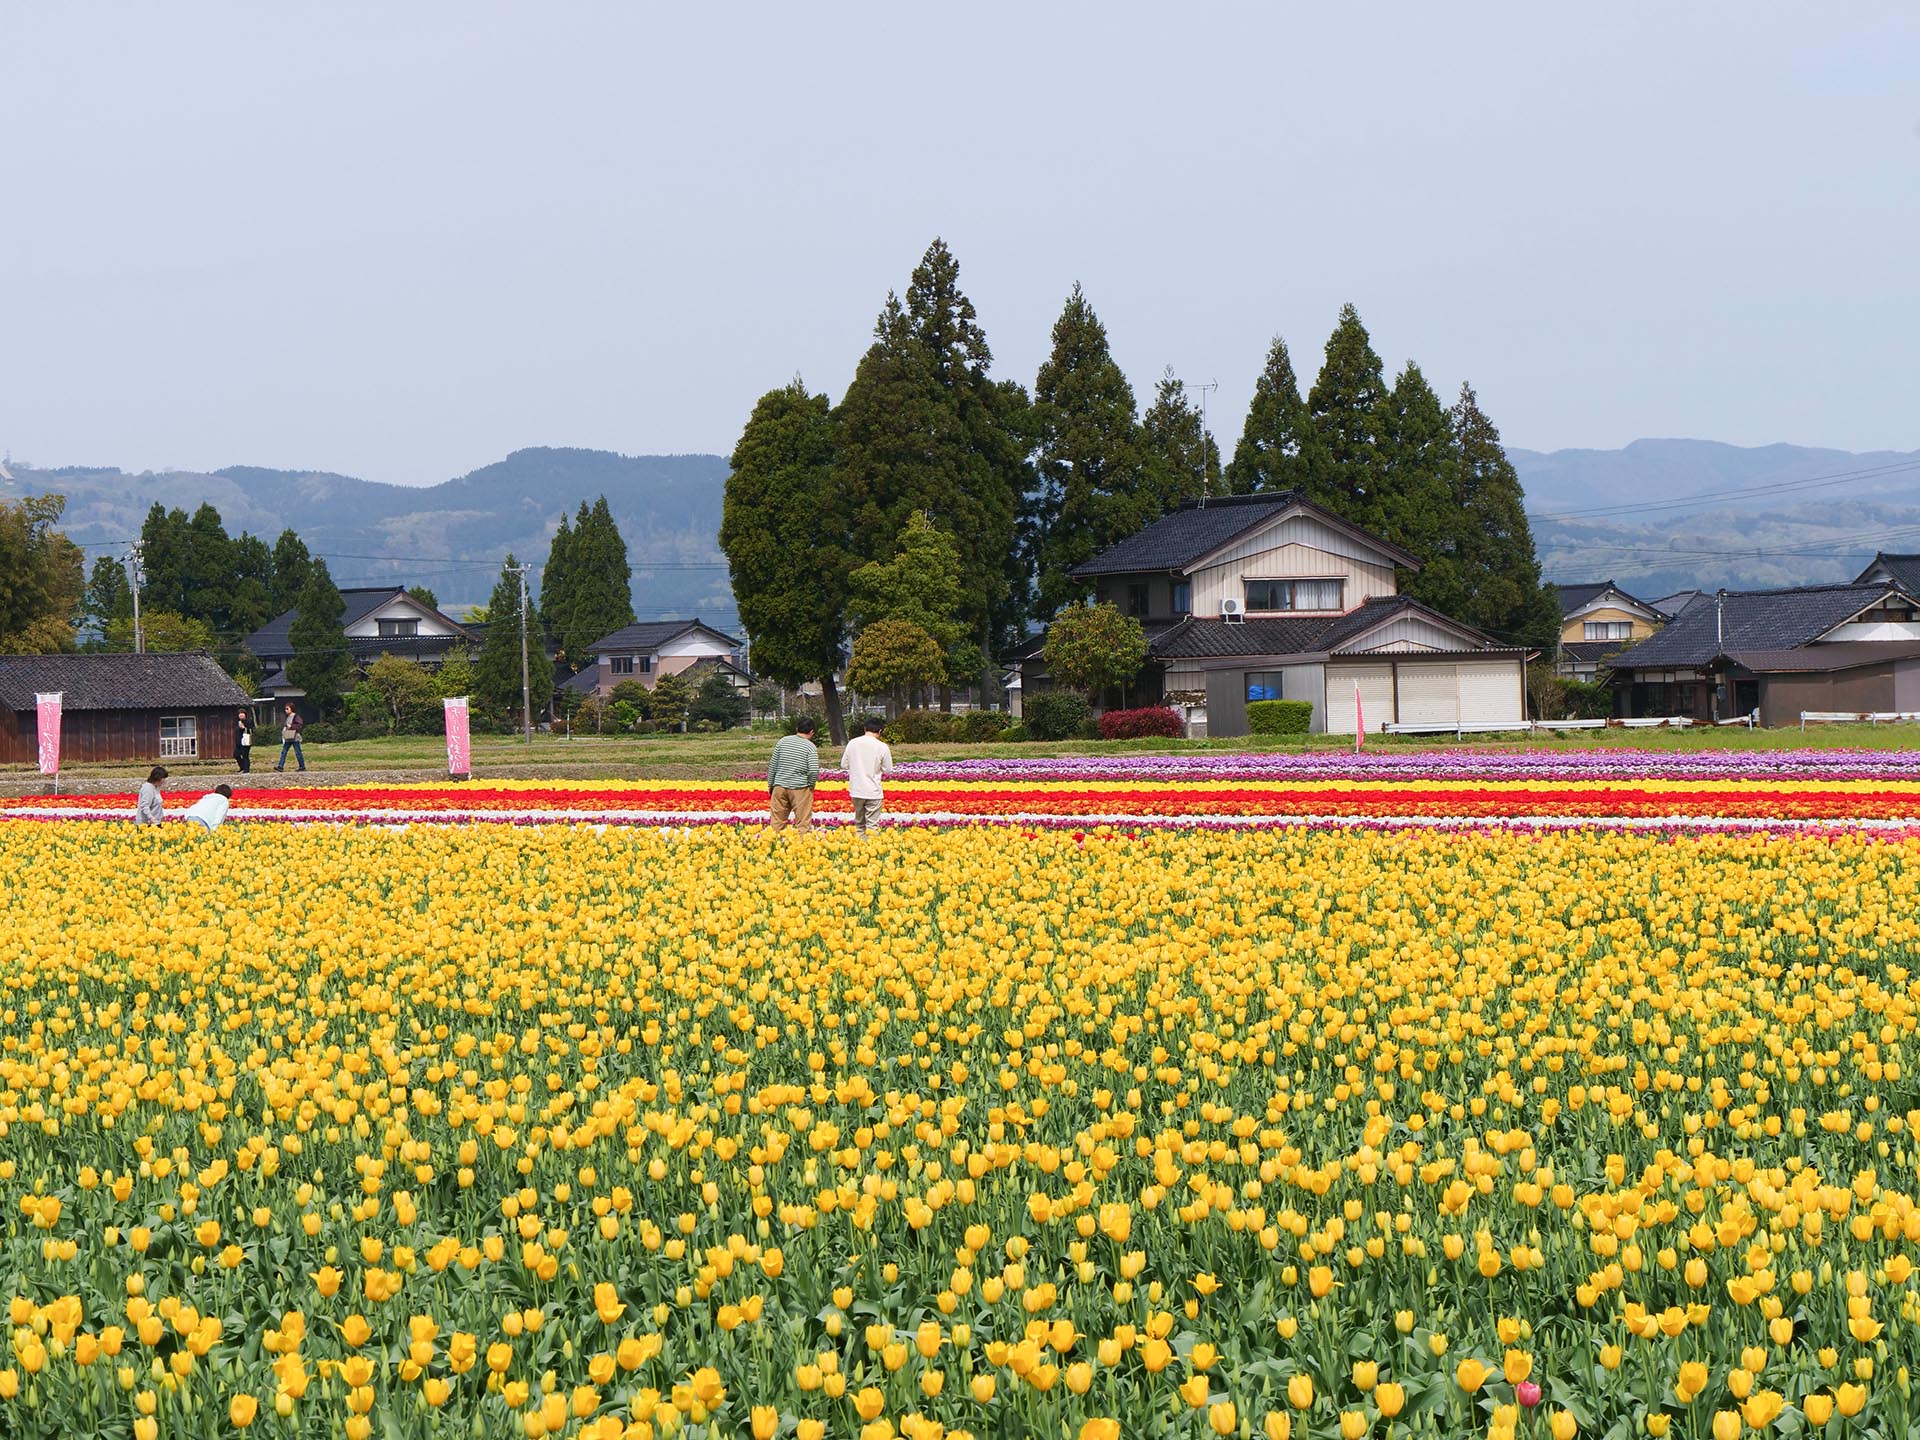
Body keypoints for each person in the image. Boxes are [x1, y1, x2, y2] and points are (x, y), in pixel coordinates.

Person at [766, 717, 820, 834]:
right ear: (811, 732)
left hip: (779, 787)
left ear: (796, 729)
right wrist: (810, 785)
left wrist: (771, 785)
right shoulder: (810, 747)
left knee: (777, 823)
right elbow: (813, 770)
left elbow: (773, 766)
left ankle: (774, 847)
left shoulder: (782, 742)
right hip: (800, 788)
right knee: (803, 824)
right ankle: (801, 848)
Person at [841, 716, 894, 836]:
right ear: (880, 731)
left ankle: (859, 849)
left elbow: (844, 765)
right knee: (872, 826)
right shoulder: (882, 747)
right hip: (873, 791)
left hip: (857, 790)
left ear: (865, 729)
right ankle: (870, 850)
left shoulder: (853, 743)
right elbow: (887, 770)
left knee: (859, 824)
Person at [275, 704, 306, 772]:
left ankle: (302, 766)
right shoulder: (288, 717)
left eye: (287, 708)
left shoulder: (296, 716)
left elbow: (299, 725)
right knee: (284, 752)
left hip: (295, 737)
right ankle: (280, 766)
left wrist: (291, 726)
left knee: (298, 752)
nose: (285, 710)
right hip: (288, 737)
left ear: (291, 709)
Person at [234, 708, 253, 773]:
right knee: (236, 754)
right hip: (239, 741)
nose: (241, 715)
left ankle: (246, 769)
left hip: (245, 741)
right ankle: (242, 767)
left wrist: (244, 728)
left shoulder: (248, 721)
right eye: (240, 714)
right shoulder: (237, 722)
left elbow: (251, 730)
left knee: (245, 755)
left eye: (242, 714)